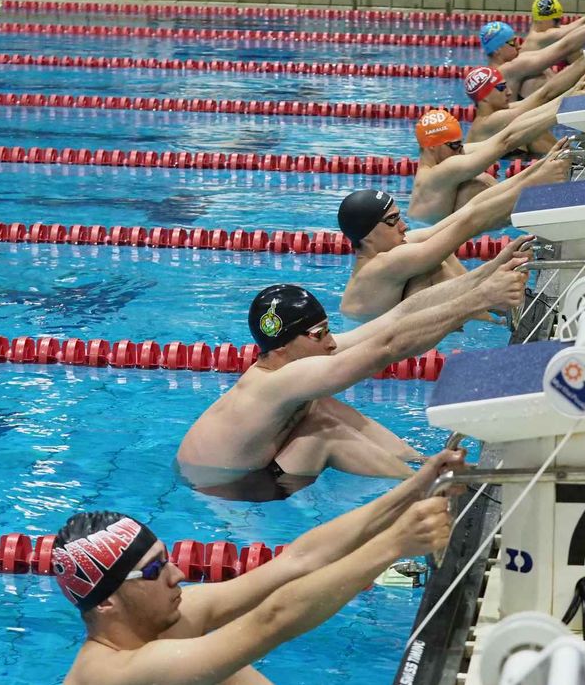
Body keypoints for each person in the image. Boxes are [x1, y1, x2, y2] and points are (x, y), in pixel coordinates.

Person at [55, 449, 465, 685]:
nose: (178, 575)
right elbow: (271, 621)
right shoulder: (114, 675)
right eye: (154, 571)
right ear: (106, 603)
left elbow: (297, 561)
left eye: (167, 560)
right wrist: (393, 544)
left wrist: (415, 488)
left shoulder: (169, 621)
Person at [176, 244, 530, 500]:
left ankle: (419, 462)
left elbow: (395, 319)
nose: (331, 343)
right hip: (229, 490)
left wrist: (485, 274)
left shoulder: (290, 362)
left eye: (328, 330)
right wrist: (477, 301)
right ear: (283, 346)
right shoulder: (279, 382)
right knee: (321, 431)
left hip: (246, 470)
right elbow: (388, 348)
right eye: (320, 335)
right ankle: (431, 486)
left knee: (320, 407)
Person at [340, 144, 569, 321]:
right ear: (368, 235)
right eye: (392, 220)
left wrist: (535, 172)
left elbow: (464, 213)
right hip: (386, 360)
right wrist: (533, 186)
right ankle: (498, 316)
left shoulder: (391, 251)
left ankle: (500, 311)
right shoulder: (381, 265)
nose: (404, 226)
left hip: (401, 333)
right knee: (432, 264)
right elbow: (469, 224)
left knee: (437, 260)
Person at [408, 107, 556, 223]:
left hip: (441, 237)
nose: (461, 150)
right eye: (455, 145)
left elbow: (504, 135)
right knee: (474, 188)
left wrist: (563, 102)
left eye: (461, 144)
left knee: (478, 184)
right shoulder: (439, 174)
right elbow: (506, 142)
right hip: (429, 245)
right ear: (432, 146)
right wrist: (543, 166)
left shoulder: (446, 161)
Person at [478, 14, 585, 99]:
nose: (519, 46)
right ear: (497, 50)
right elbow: (564, 47)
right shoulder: (508, 69)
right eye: (512, 42)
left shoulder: (495, 73)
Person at [462, 63, 585, 148]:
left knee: (532, 129)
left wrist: (575, 90)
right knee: (532, 128)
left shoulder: (501, 112)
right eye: (501, 87)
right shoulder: (488, 123)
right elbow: (543, 98)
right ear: (484, 97)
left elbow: (544, 96)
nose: (509, 92)